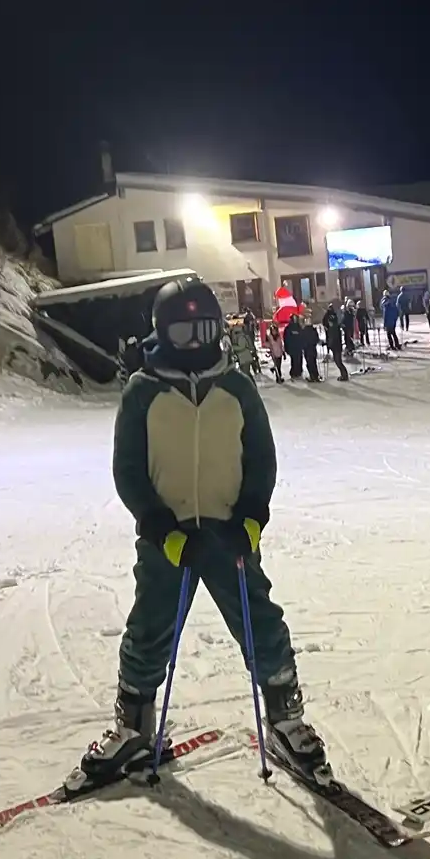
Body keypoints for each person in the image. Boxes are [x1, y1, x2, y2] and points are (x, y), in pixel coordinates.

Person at [70, 276, 332, 789]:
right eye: (184, 332)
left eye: (205, 330)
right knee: (149, 628)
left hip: (228, 534)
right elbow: (128, 470)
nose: (196, 343)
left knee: (259, 621)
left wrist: (252, 519)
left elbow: (261, 460)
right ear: (162, 333)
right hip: (168, 539)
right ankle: (135, 726)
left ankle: (284, 717)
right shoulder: (142, 392)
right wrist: (159, 525)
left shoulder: (236, 387)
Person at [262, 317, 286, 383]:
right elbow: (266, 344)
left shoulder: (278, 337)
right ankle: (278, 378)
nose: (274, 332)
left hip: (279, 353)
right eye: (273, 331)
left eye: (275, 330)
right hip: (274, 354)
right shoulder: (269, 337)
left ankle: (274, 371)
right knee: (277, 366)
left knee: (279, 366)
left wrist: (283, 352)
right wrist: (267, 344)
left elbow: (281, 345)